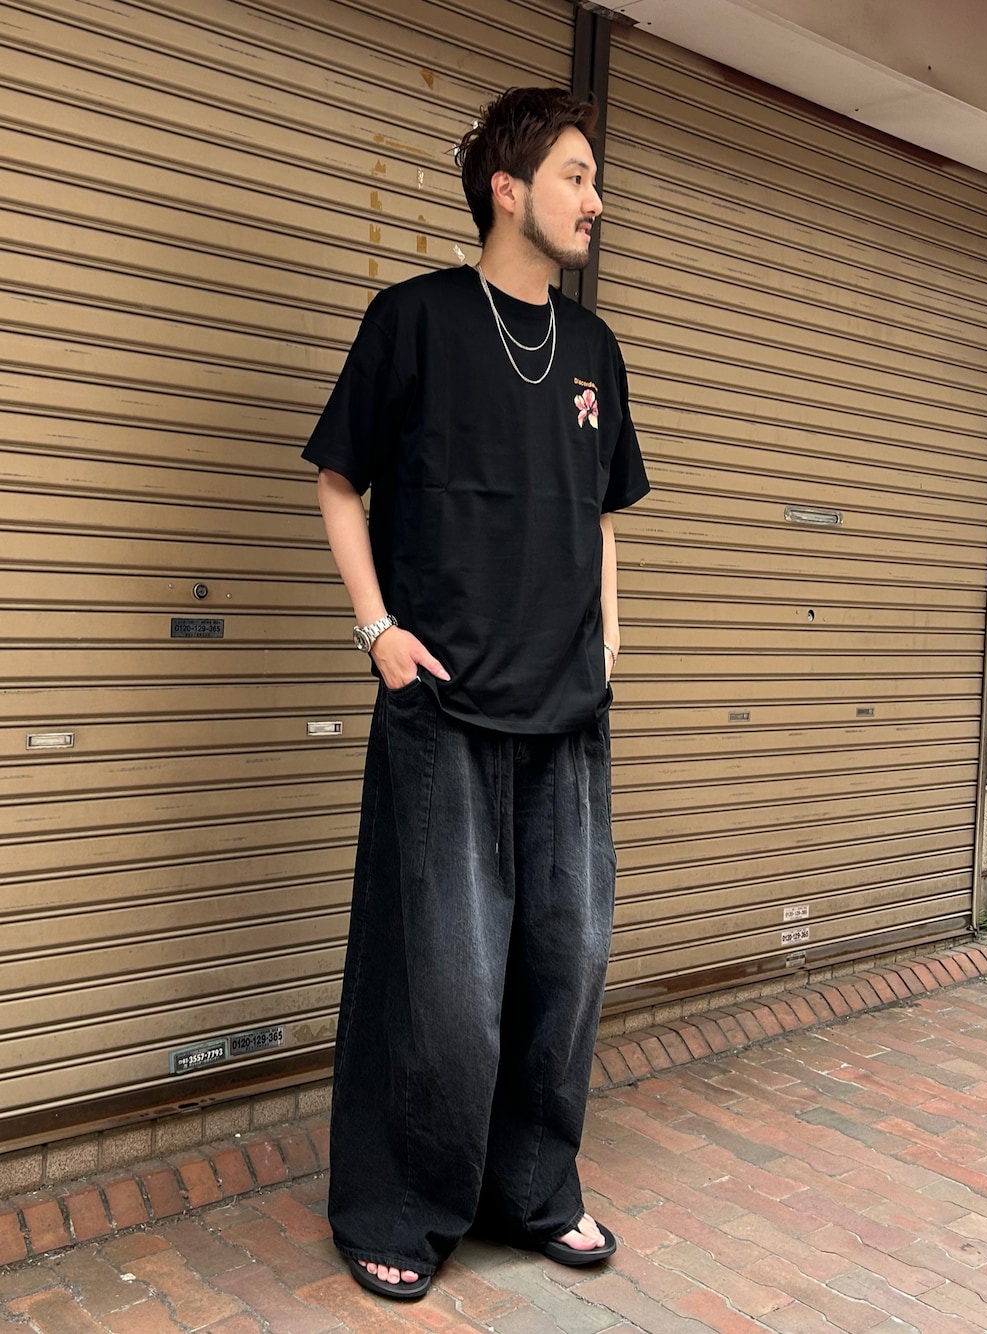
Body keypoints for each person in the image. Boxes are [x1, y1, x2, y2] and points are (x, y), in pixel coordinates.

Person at [301, 85, 649, 1301]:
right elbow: (338, 480)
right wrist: (378, 631)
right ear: (508, 188)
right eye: (575, 176)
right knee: (442, 982)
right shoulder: (413, 320)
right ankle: (400, 1205)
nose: (594, 200)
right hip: (442, 707)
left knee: (566, 961)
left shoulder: (593, 350)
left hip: (567, 712)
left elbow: (601, 513)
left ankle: (533, 1190)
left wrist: (611, 634)